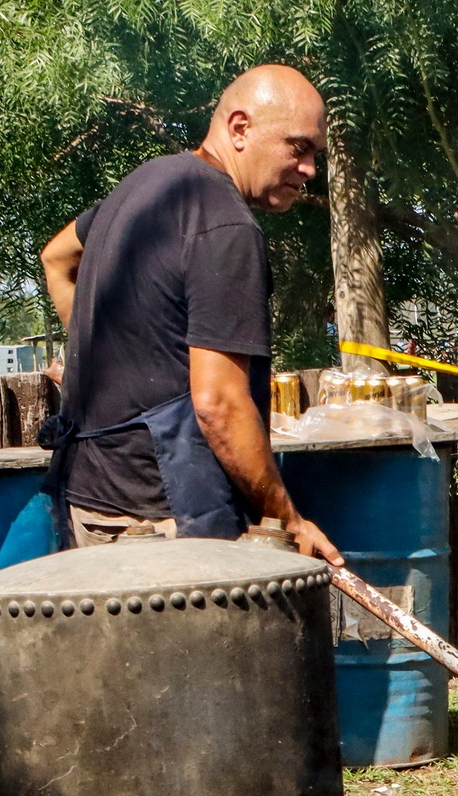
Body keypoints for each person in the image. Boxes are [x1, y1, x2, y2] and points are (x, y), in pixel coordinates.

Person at [38, 65, 339, 561]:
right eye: (297, 147)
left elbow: (57, 258)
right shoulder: (227, 226)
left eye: (314, 155)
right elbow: (219, 404)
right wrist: (289, 520)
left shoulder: (146, 185)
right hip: (166, 522)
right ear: (240, 129)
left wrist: (103, 353)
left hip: (89, 506)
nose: (309, 169)